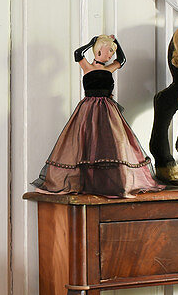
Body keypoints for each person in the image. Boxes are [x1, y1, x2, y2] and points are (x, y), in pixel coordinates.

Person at [33, 34, 162, 197]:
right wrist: (91, 42)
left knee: (112, 143)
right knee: (88, 142)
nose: (110, 55)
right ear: (99, 49)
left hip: (108, 110)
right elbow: (78, 54)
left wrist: (116, 42)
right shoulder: (87, 67)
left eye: (112, 52)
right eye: (109, 51)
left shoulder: (109, 69)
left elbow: (122, 60)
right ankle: (86, 182)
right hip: (88, 109)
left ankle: (114, 183)